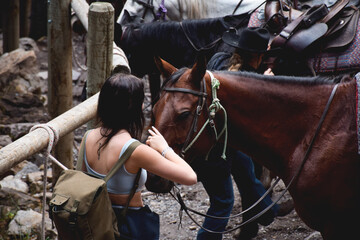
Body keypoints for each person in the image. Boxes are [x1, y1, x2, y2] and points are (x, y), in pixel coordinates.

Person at [193, 27, 293, 240]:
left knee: (245, 168)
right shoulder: (251, 80)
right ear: (258, 56)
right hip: (214, 145)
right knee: (223, 202)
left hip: (219, 138)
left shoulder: (218, 59)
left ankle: (268, 211)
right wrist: (267, 82)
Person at [80, 73, 197, 239]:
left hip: (97, 223)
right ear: (135, 108)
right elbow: (190, 177)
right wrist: (164, 148)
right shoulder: (135, 151)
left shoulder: (88, 137)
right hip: (129, 226)